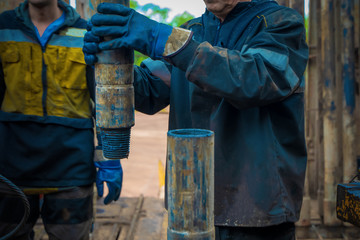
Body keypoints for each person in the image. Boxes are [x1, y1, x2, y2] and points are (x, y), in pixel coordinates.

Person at [83, 0, 308, 239]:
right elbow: (148, 90)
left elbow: (253, 79)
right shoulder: (192, 32)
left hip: (256, 210)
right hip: (190, 204)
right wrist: (103, 62)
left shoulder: (281, 25)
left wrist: (161, 38)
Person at [0, 0, 122, 239]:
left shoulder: (88, 33)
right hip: (11, 167)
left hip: (71, 167)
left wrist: (109, 158)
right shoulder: (3, 28)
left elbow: (104, 100)